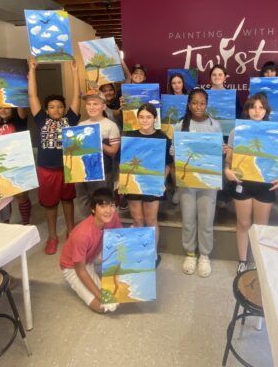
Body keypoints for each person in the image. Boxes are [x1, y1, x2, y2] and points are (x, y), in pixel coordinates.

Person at [224, 93, 278, 273]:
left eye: (261, 107)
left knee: (261, 227)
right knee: (243, 224)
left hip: (265, 185)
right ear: (247, 110)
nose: (257, 111)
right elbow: (229, 159)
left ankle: (260, 262)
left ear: (266, 111)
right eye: (253, 107)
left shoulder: (274, 131)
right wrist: (227, 170)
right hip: (242, 183)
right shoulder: (236, 132)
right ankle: (243, 260)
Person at [28, 57, 81, 255]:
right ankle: (52, 236)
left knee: (68, 202)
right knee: (49, 205)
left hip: (67, 169)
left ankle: (71, 230)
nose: (56, 109)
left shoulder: (71, 119)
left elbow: (77, 95)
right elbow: (32, 95)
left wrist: (75, 71)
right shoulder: (41, 120)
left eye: (59, 106)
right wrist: (32, 70)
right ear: (47, 109)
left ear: (64, 108)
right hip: (46, 170)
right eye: (52, 107)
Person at [174, 88, 223, 278]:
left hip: (208, 180)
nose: (198, 106)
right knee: (188, 218)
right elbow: (173, 149)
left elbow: (217, 152)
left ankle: (204, 255)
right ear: (188, 104)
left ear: (207, 104)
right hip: (187, 180)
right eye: (194, 103)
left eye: (202, 103)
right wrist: (174, 151)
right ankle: (190, 253)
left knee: (206, 219)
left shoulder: (214, 125)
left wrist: (222, 149)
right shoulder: (180, 125)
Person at [123, 104, 173, 267]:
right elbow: (124, 163)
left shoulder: (162, 138)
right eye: (142, 117)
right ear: (137, 118)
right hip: (134, 185)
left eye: (148, 117)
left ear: (155, 119)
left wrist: (161, 180)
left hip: (153, 184)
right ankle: (139, 252)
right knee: (137, 220)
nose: (145, 120)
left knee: (151, 220)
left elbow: (167, 165)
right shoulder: (129, 137)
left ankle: (152, 254)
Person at [60, 188, 122, 313]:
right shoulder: (82, 234)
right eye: (103, 206)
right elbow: (80, 270)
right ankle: (81, 281)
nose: (108, 210)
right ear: (93, 209)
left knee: (119, 293)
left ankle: (101, 271)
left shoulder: (113, 216)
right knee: (104, 307)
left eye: (111, 205)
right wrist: (100, 295)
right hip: (74, 266)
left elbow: (120, 238)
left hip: (94, 254)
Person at [74, 90, 121, 218]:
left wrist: (96, 141)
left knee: (103, 204)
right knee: (84, 203)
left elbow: (113, 151)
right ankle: (90, 230)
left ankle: (104, 232)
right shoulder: (81, 125)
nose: (92, 107)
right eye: (89, 104)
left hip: (103, 173)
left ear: (103, 106)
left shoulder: (110, 126)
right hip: (82, 172)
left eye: (96, 104)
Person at [0, 107, 33, 225]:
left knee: (21, 195)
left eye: (7, 108)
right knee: (4, 197)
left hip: (18, 161)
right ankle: (6, 223)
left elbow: (21, 107)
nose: (3, 110)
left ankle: (26, 222)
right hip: (0, 162)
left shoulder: (19, 119)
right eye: (0, 108)